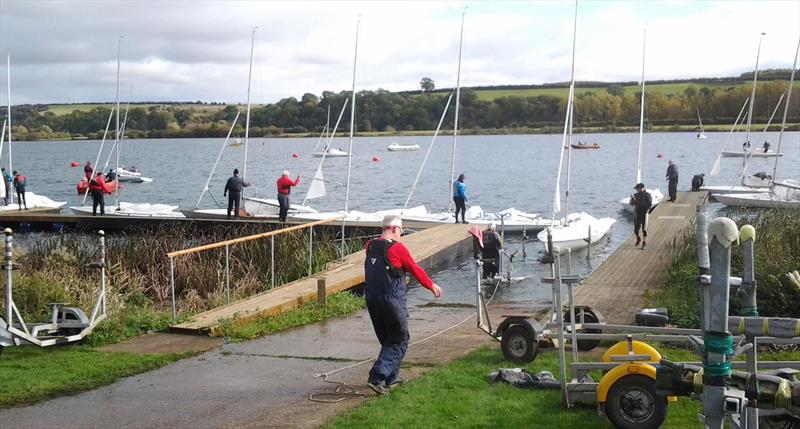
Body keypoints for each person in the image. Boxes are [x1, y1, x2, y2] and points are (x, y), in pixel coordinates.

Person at [364, 215, 442, 395]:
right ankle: (376, 377)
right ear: (393, 228)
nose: (401, 234)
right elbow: (414, 268)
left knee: (387, 339)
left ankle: (392, 378)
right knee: (400, 339)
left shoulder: (370, 245)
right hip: (391, 300)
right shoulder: (397, 248)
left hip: (372, 299)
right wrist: (431, 285)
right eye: (401, 230)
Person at [630, 183, 652, 250]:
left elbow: (647, 206)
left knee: (644, 229)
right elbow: (631, 204)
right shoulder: (635, 195)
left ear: (641, 188)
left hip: (645, 213)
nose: (636, 190)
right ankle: (638, 238)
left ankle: (644, 242)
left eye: (637, 188)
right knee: (636, 229)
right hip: (637, 213)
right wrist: (632, 201)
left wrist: (637, 202)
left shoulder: (648, 195)